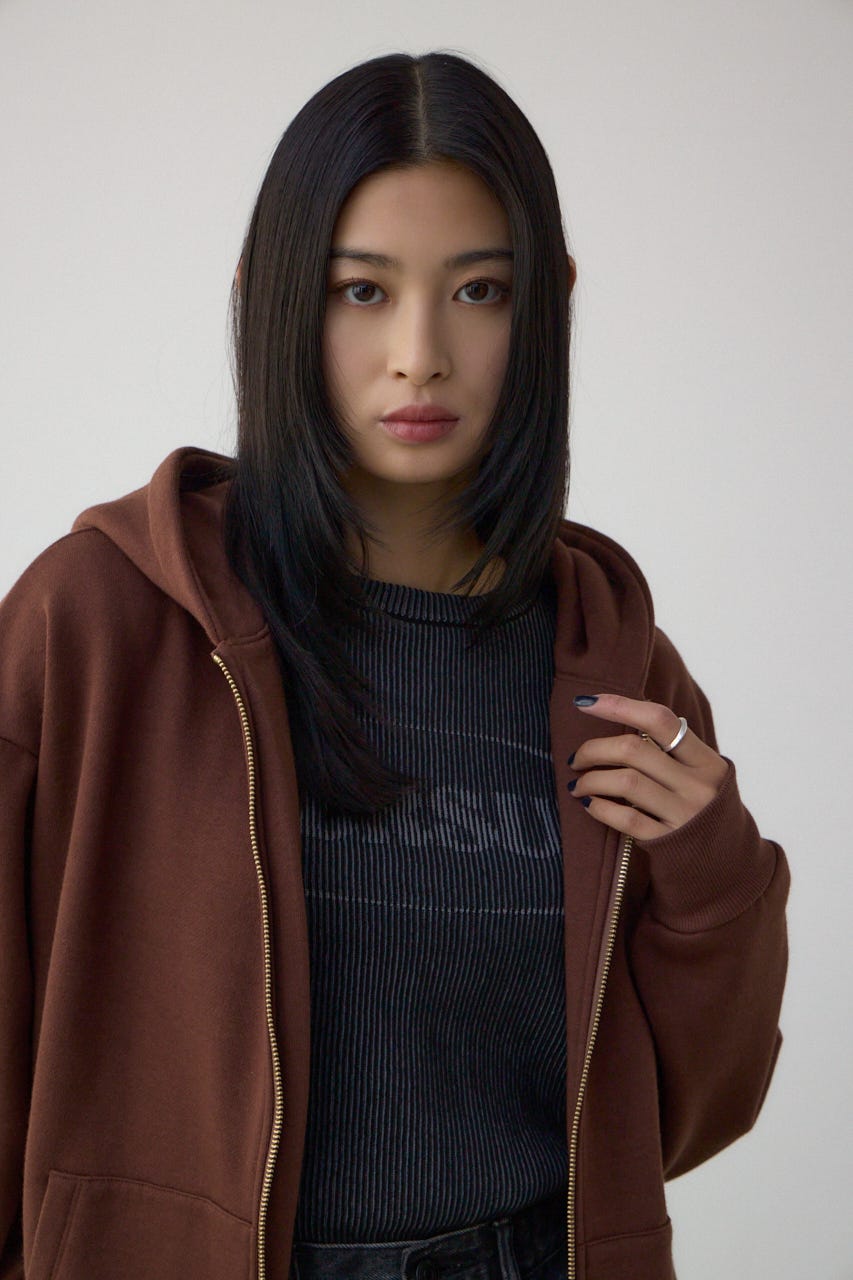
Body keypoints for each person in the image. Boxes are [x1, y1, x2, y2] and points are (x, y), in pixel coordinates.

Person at [0, 49, 789, 1280]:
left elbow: (684, 1119)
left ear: (548, 305)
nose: (420, 352)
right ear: (271, 299)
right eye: (361, 291)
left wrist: (713, 875)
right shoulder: (101, 623)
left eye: (479, 290)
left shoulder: (617, 673)